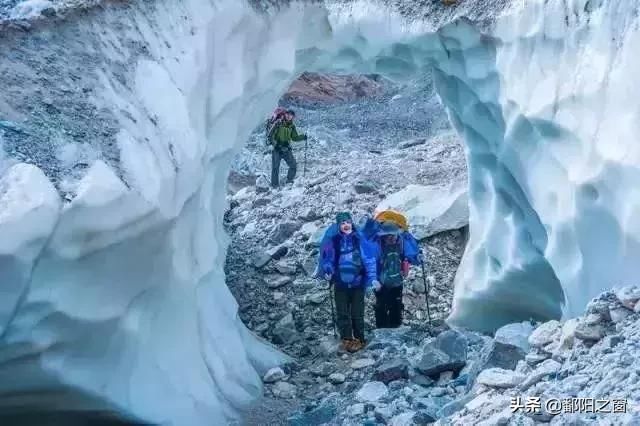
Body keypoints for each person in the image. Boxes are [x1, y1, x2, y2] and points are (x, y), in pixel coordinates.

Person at [318, 212, 379, 352]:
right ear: (339, 226)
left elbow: (368, 260)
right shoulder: (333, 241)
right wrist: (327, 269)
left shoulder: (359, 239)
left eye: (348, 222)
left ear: (352, 223)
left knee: (357, 313)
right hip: (340, 284)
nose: (346, 225)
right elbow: (328, 259)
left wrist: (372, 278)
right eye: (343, 223)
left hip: (358, 283)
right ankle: (347, 339)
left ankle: (359, 339)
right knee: (342, 313)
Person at [372, 221, 422, 328]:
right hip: (381, 284)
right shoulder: (377, 246)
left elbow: (411, 256)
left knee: (395, 306)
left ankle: (394, 328)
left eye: (393, 235)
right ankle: (382, 330)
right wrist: (374, 280)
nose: (391, 238)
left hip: (396, 282)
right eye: (388, 236)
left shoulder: (401, 243)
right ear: (383, 236)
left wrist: (418, 257)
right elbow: (371, 263)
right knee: (382, 306)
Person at [267, 109, 307, 188]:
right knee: (275, 168)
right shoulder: (278, 123)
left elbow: (294, 137)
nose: (289, 116)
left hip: (286, 149)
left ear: (293, 117)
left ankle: (289, 181)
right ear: (285, 114)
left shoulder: (292, 126)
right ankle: (274, 186)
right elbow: (270, 136)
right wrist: (276, 145)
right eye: (288, 114)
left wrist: (303, 137)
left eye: (291, 115)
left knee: (293, 166)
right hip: (277, 149)